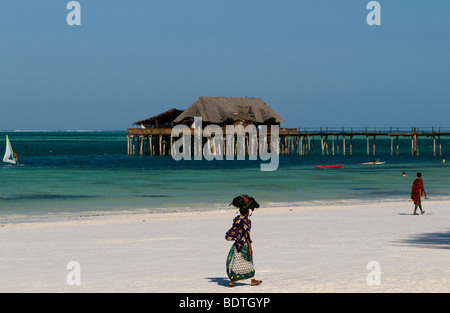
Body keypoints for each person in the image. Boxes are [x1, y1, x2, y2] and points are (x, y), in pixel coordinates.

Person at [225, 195, 262, 287]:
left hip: (237, 243)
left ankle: (232, 281)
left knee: (235, 261)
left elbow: (236, 231)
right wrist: (250, 248)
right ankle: (253, 281)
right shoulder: (247, 221)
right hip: (244, 243)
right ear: (247, 212)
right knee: (249, 261)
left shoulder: (236, 219)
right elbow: (246, 235)